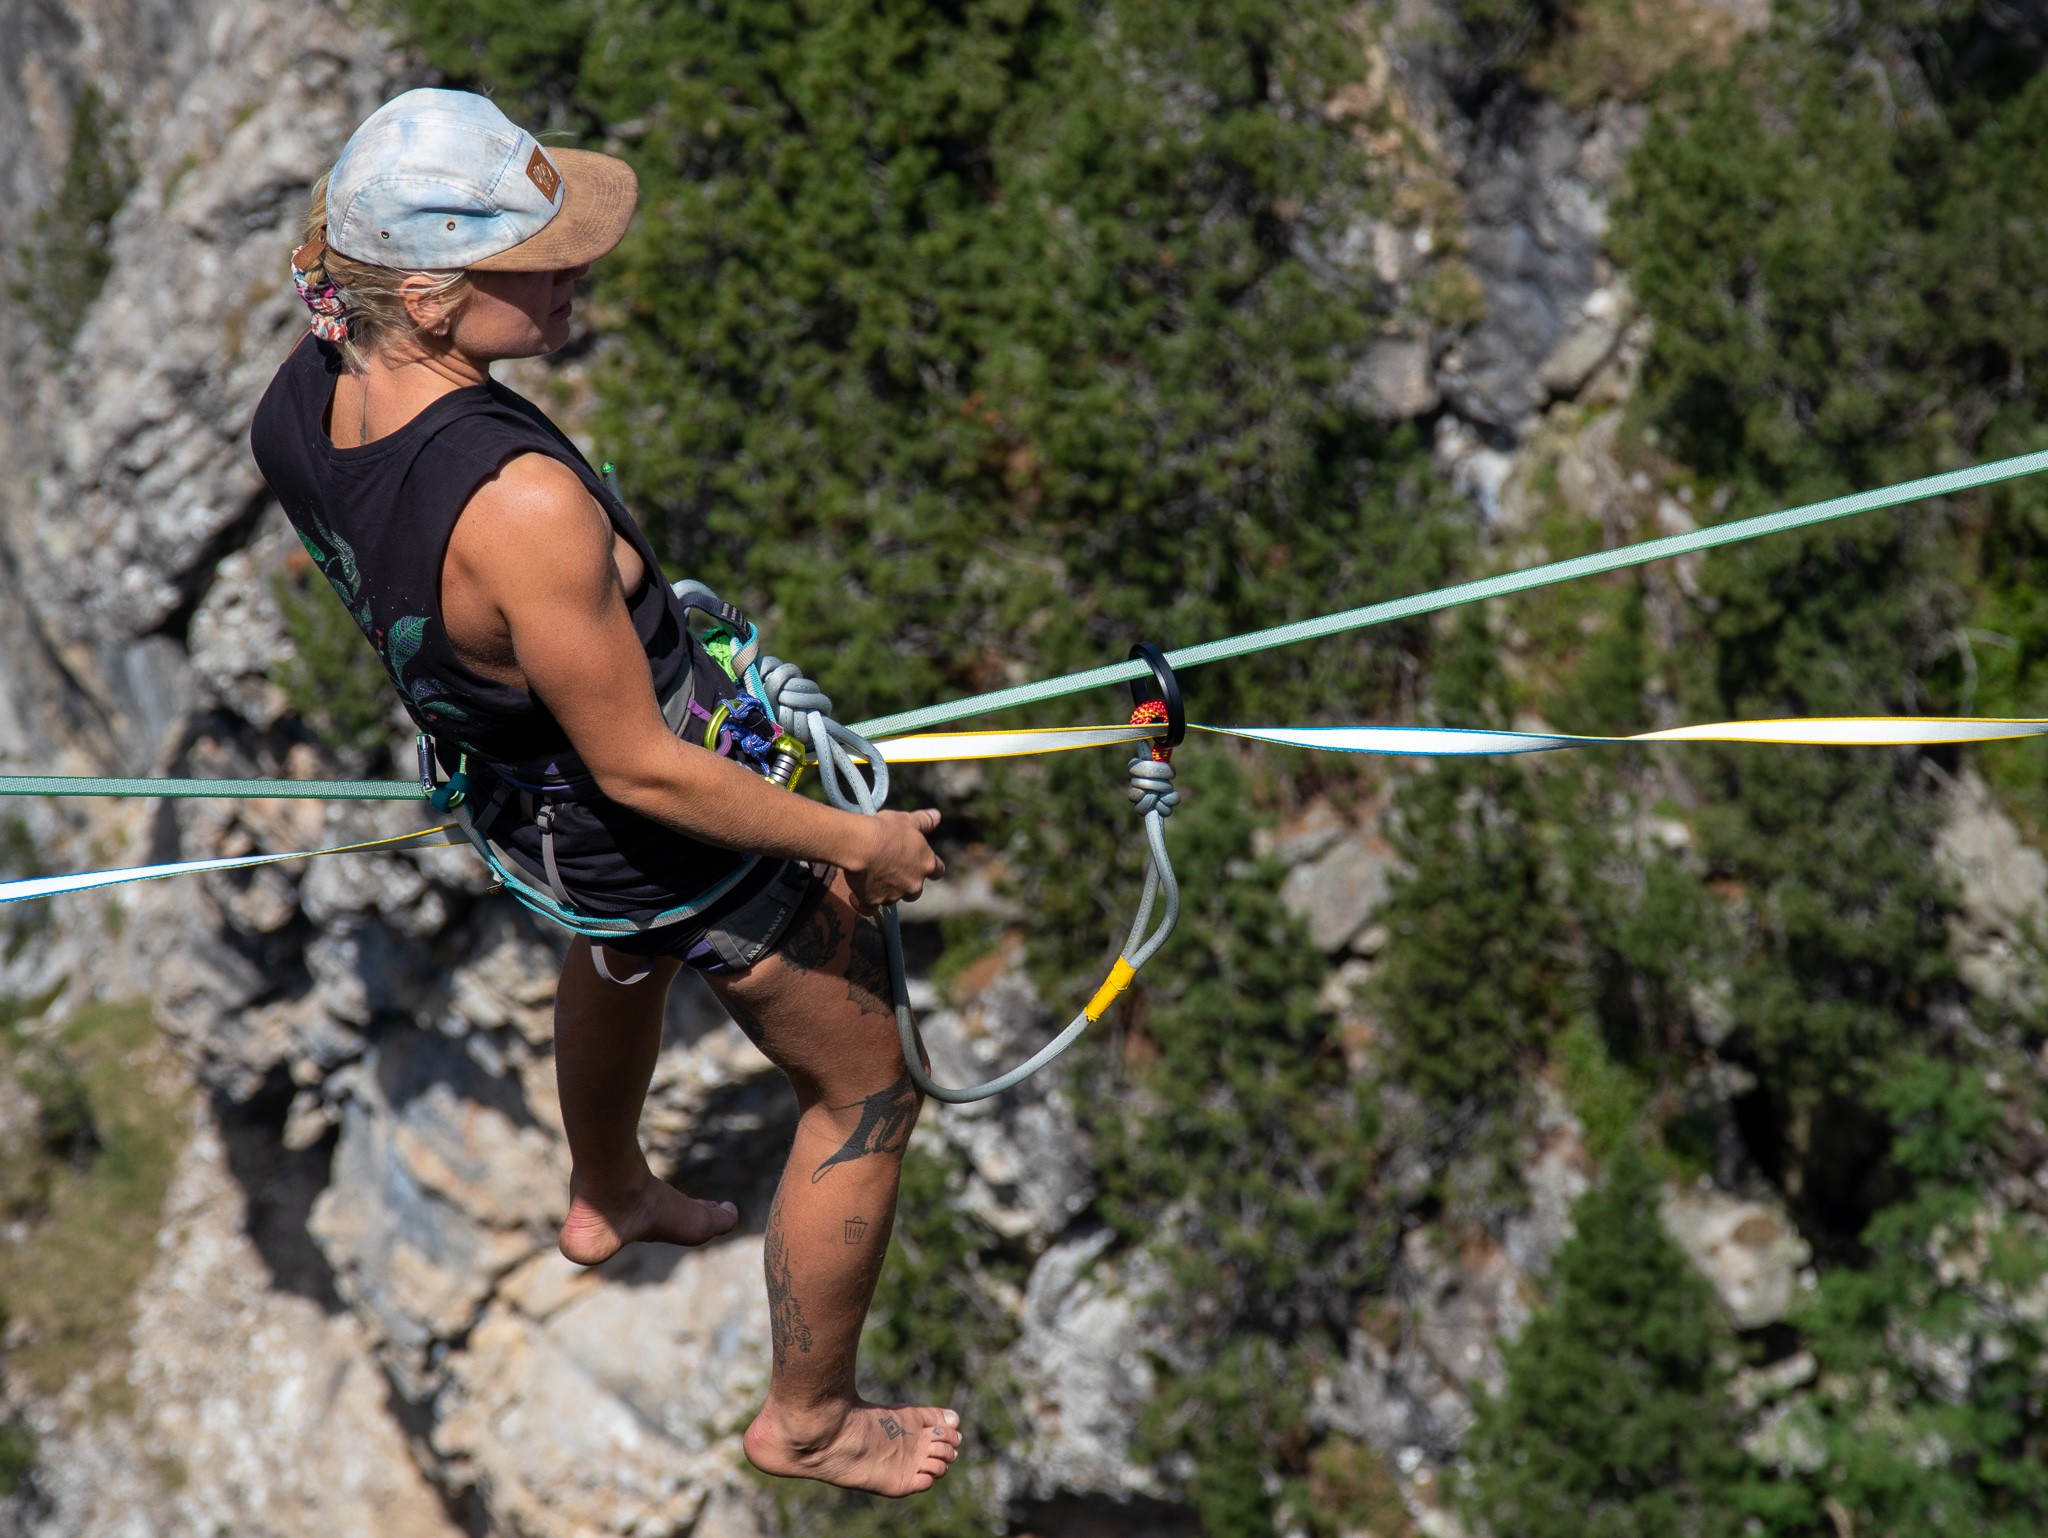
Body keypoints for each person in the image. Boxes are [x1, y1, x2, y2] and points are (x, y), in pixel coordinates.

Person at [248, 88, 960, 1497]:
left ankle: (606, 1188)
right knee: (866, 1092)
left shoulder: (304, 401)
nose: (577, 275)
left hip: (525, 804)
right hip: (653, 820)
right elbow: (639, 761)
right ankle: (807, 1419)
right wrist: (854, 837)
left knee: (615, 949)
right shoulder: (520, 504)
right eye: (540, 264)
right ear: (438, 303)